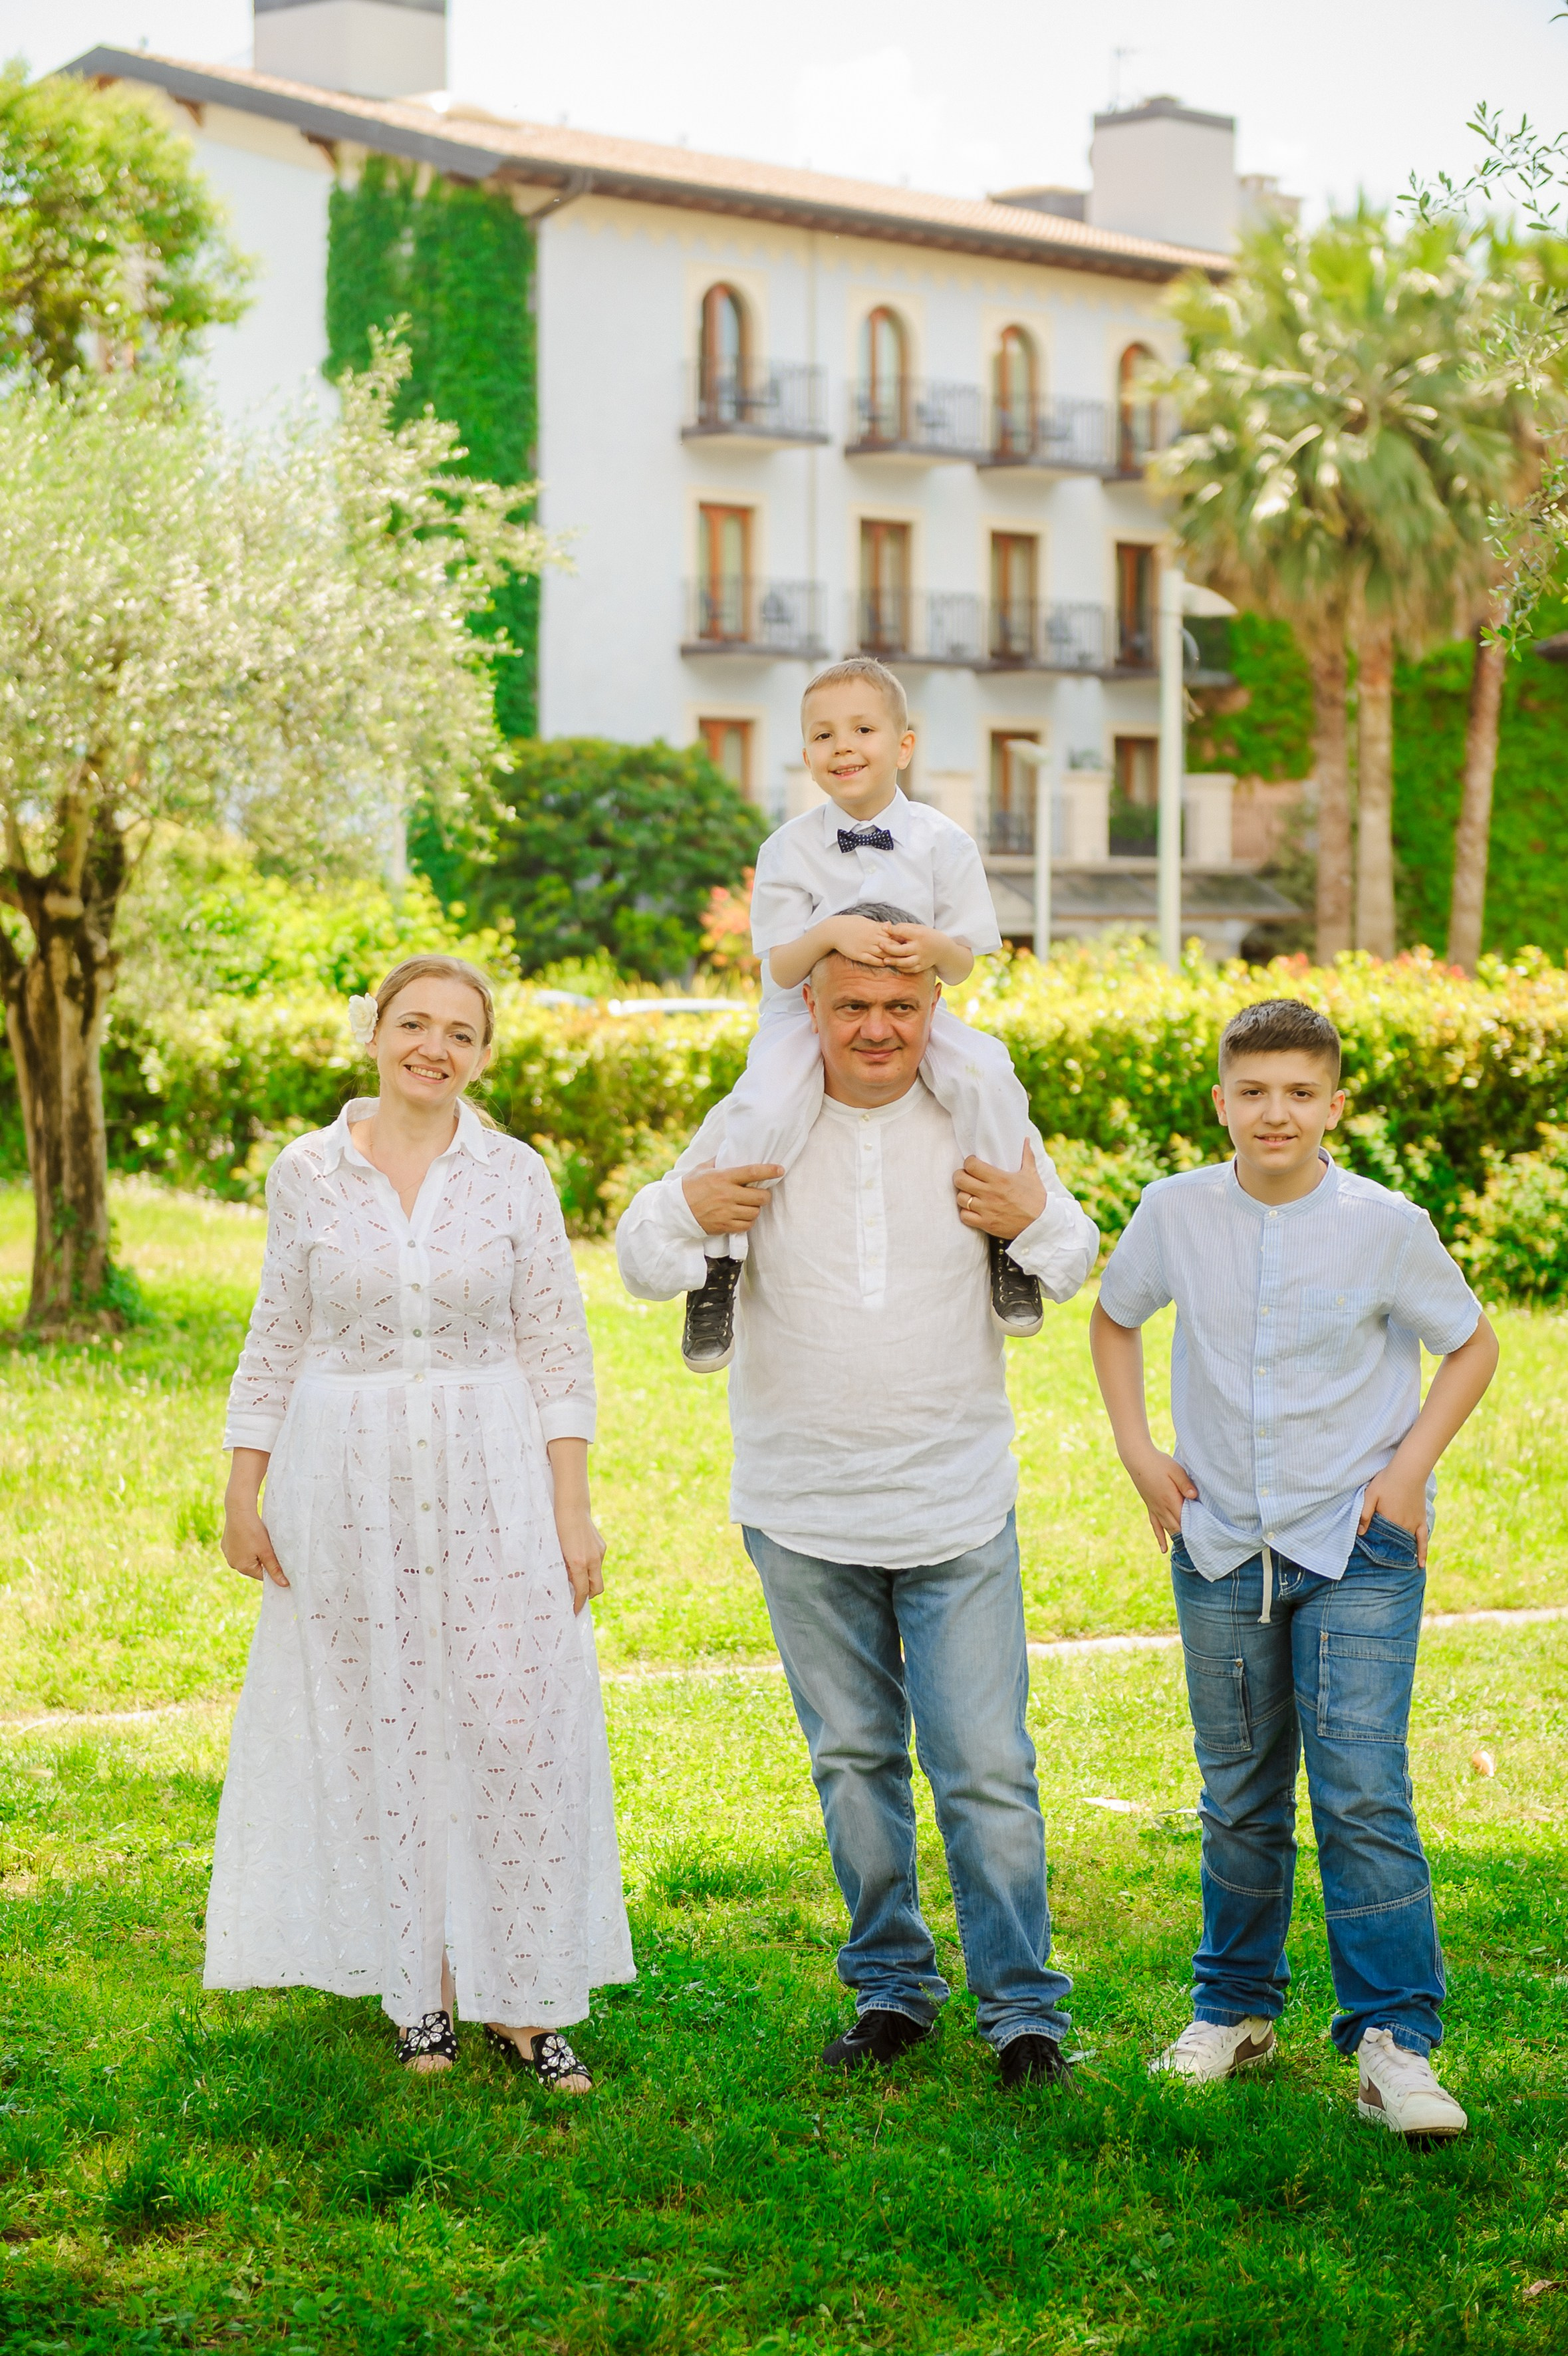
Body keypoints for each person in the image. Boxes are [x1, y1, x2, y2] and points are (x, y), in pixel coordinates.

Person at [616, 912, 1099, 2087]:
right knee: (853, 1759)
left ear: (932, 1007)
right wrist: (690, 1211)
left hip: (954, 1499)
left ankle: (1021, 2010)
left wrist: (1024, 1219)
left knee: (984, 1765)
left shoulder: (978, 1119)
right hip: (800, 1501)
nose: (876, 1027)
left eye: (899, 1005)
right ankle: (891, 1988)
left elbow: (1075, 1253)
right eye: (849, 1007)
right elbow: (637, 1254)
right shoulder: (758, 1122)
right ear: (811, 1014)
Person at [209, 954, 634, 2088]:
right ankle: (423, 1991)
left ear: (482, 1054)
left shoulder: (514, 1176)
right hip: (342, 1487)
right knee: (379, 1721)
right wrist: (241, 1486)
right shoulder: (307, 1172)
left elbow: (555, 1347)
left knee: (510, 1722)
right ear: (376, 1034)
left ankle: (527, 1998)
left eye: (458, 1031)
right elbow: (277, 1333)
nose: (432, 1047)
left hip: (491, 1473)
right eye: (413, 1024)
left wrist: (570, 1506)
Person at [1089, 997, 1498, 2140]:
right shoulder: (1172, 1212)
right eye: (1253, 1090)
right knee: (1238, 1788)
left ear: (1332, 1104)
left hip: (1354, 1539)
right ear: (1220, 1101)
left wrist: (1408, 1471)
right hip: (1220, 1541)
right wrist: (1137, 1452)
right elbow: (1114, 1319)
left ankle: (1392, 2043)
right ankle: (1233, 2009)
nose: (1276, 1112)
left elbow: (1470, 1342)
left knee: (1360, 1782)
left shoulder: (1382, 1223)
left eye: (1299, 1092)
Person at [680, 655, 1039, 1376]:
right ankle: (719, 1267)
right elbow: (780, 966)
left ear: (903, 746)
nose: (842, 746)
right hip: (801, 1020)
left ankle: (1009, 1245)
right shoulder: (786, 850)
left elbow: (966, 960)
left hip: (915, 1013)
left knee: (989, 1075)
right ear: (807, 754)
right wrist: (828, 934)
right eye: (822, 735)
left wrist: (934, 945)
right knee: (761, 1105)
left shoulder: (945, 843)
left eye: (863, 729)